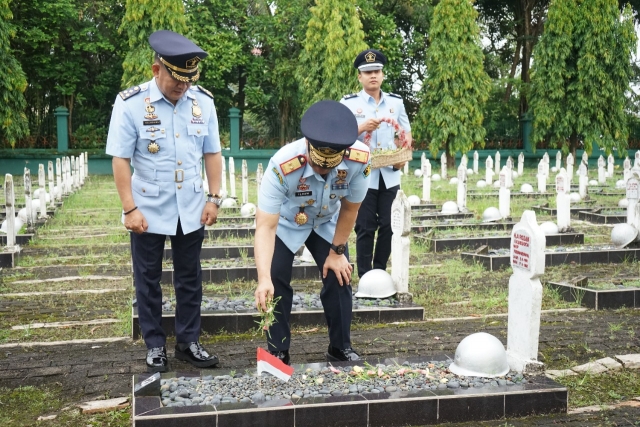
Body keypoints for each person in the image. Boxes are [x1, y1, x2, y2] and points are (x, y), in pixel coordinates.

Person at [106, 30, 223, 373]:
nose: (182, 86)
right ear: (157, 69)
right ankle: (155, 344)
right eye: (176, 78)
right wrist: (129, 208)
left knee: (190, 277)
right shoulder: (130, 104)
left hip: (191, 205)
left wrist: (214, 198)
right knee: (148, 278)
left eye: (189, 80)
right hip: (148, 207)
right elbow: (120, 159)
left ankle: (188, 342)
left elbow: (212, 153)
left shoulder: (203, 102)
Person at [254, 100, 371, 365]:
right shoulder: (283, 164)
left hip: (327, 221)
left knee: (340, 276)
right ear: (308, 146)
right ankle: (278, 350)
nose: (324, 172)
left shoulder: (359, 159)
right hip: (287, 222)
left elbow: (351, 209)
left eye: (330, 167)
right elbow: (265, 226)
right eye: (318, 166)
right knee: (276, 279)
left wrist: (337, 251)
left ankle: (340, 346)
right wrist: (263, 278)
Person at [340, 48, 412, 278]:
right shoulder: (349, 103)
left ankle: (379, 273)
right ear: (359, 77)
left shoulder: (396, 103)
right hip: (362, 176)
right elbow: (339, 137)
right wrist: (361, 128)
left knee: (390, 226)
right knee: (365, 226)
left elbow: (406, 135)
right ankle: (365, 276)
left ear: (382, 75)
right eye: (367, 72)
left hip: (390, 174)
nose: (373, 75)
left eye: (377, 71)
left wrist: (402, 156)